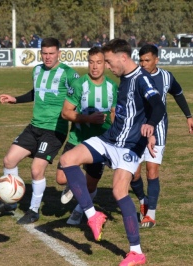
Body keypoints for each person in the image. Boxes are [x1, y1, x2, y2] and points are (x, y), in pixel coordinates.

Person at [59, 38, 166, 266]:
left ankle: (136, 252)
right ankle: (92, 215)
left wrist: (151, 127)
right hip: (110, 139)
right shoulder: (124, 79)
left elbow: (157, 105)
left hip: (130, 146)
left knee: (119, 192)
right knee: (68, 160)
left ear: (122, 57)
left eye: (108, 61)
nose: (107, 66)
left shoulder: (141, 79)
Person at [0, 37, 80, 224]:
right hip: (34, 126)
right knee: (9, 160)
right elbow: (37, 91)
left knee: (36, 169)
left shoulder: (69, 74)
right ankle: (11, 201)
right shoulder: (37, 70)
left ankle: (34, 210)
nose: (47, 57)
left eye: (51, 53)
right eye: (44, 53)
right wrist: (16, 99)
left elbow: (79, 97)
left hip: (54, 130)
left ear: (59, 53)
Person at [131, 44, 193, 229]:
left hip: (158, 129)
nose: (143, 64)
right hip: (136, 129)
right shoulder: (134, 77)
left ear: (156, 60)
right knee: (133, 174)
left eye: (147, 60)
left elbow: (178, 93)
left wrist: (188, 116)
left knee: (152, 169)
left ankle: (151, 213)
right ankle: (143, 200)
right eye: (141, 60)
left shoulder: (166, 76)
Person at [56, 47, 118, 225]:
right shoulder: (79, 84)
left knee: (90, 186)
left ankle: (78, 211)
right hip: (77, 138)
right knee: (61, 179)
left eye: (99, 63)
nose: (95, 67)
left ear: (105, 64)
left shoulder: (112, 87)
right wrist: (87, 118)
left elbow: (115, 116)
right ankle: (73, 184)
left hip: (100, 143)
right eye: (91, 63)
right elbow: (66, 113)